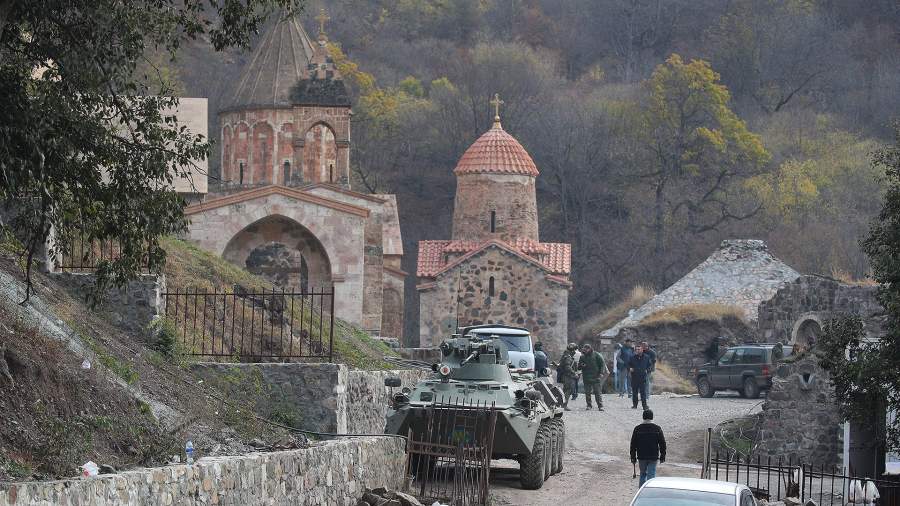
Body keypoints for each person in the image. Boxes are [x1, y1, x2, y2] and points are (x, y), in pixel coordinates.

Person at [630, 409, 666, 486]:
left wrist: (633, 456)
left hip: (641, 456)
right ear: (652, 417)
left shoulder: (637, 429)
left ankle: (642, 491)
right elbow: (662, 443)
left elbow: (633, 444)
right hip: (653, 456)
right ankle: (650, 491)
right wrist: (663, 456)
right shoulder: (657, 429)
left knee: (643, 474)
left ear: (643, 417)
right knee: (651, 475)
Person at [578, 344, 609, 411]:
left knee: (597, 392)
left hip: (596, 377)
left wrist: (601, 373)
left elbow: (602, 364)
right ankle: (589, 405)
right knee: (587, 393)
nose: (585, 351)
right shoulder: (582, 357)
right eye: (584, 350)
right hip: (586, 377)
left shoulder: (596, 355)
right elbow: (579, 366)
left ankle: (600, 406)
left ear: (589, 349)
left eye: (586, 350)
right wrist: (582, 365)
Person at [551, 343, 579, 411]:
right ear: (572, 350)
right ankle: (564, 405)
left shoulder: (565, 356)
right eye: (575, 350)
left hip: (565, 376)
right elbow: (567, 367)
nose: (575, 352)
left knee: (564, 390)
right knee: (568, 391)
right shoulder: (568, 357)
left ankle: (560, 404)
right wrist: (574, 373)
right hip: (568, 376)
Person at [628, 343, 652, 410]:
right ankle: (634, 405)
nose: (637, 351)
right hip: (634, 377)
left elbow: (650, 365)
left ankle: (644, 406)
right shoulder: (632, 357)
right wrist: (630, 368)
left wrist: (647, 370)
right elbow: (628, 365)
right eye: (636, 349)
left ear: (642, 350)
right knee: (634, 392)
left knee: (643, 392)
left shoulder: (647, 357)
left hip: (642, 377)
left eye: (639, 349)